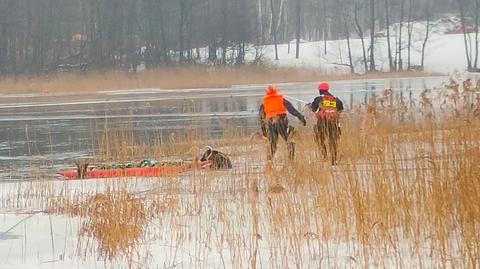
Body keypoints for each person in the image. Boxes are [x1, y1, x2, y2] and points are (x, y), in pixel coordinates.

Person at [259, 85, 306, 161]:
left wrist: (264, 132)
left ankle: (269, 161)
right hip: (281, 122)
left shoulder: (264, 102)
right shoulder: (281, 99)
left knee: (272, 144)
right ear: (275, 91)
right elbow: (292, 110)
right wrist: (301, 117)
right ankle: (291, 161)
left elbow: (261, 119)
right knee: (289, 140)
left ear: (266, 93)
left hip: (270, 124)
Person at [307, 81, 344, 165]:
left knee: (320, 139)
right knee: (333, 141)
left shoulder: (318, 99)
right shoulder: (336, 99)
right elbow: (341, 109)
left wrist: (310, 106)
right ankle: (334, 160)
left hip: (322, 122)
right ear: (328, 89)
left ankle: (324, 156)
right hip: (333, 123)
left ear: (320, 90)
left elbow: (313, 109)